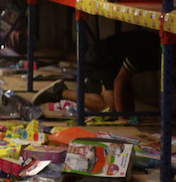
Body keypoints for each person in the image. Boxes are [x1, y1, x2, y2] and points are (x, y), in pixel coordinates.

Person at [32, 30, 163, 120]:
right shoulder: (147, 53)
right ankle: (60, 92)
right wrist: (122, 117)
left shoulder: (159, 48)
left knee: (120, 108)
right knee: (108, 107)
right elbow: (120, 81)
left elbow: (125, 81)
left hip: (108, 62)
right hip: (100, 59)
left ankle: (87, 89)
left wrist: (126, 112)